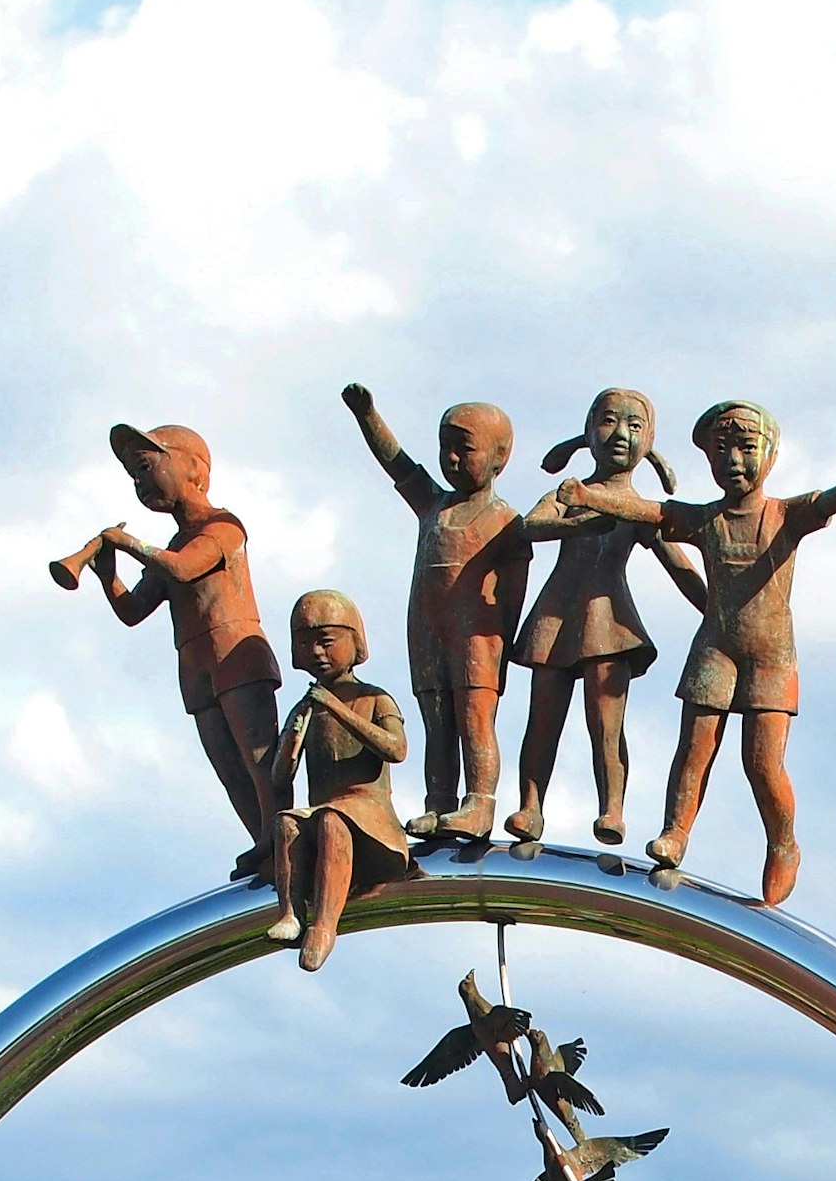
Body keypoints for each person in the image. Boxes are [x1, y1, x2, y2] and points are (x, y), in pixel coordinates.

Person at [557, 399, 836, 908]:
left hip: (771, 657)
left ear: (768, 455)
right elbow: (654, 512)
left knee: (762, 763)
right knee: (695, 748)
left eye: (747, 449)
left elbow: (833, 499)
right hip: (716, 648)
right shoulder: (707, 519)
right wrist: (591, 496)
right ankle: (675, 833)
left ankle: (782, 843)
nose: (734, 461)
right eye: (721, 451)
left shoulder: (785, 515)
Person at [505, 387, 704, 851]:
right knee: (542, 719)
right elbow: (529, 526)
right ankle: (530, 806)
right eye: (610, 421)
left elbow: (679, 565)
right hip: (555, 619)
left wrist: (719, 612)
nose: (620, 434)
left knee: (606, 721)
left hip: (609, 622)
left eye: (635, 426)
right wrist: (576, 522)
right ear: (590, 431)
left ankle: (612, 807)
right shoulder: (570, 492)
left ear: (648, 440)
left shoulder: (639, 510)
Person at [73, 423, 285, 856]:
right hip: (195, 663)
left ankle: (281, 838)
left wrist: (126, 541)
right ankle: (261, 841)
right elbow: (133, 610)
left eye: (147, 466)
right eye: (135, 475)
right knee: (228, 765)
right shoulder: (174, 542)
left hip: (235, 654)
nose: (141, 481)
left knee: (260, 759)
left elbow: (185, 568)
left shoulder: (224, 526)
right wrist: (107, 575)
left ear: (192, 467)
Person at [341, 384, 530, 843]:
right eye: (445, 449)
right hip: (427, 631)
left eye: (464, 449)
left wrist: (504, 639)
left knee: (473, 719)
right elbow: (397, 462)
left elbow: (515, 589)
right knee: (436, 720)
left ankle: (479, 803)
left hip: (478, 636)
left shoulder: (506, 521)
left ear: (499, 457)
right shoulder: (433, 504)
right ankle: (439, 802)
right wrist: (368, 415)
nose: (451, 460)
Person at [264, 589, 413, 973]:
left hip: (370, 817)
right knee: (287, 822)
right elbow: (281, 777)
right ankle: (291, 912)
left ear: (353, 640)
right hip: (324, 810)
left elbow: (395, 749)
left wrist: (337, 709)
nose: (317, 652)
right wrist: (294, 739)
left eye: (326, 642)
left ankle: (324, 927)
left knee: (333, 820)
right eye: (306, 643)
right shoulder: (306, 706)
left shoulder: (375, 699)